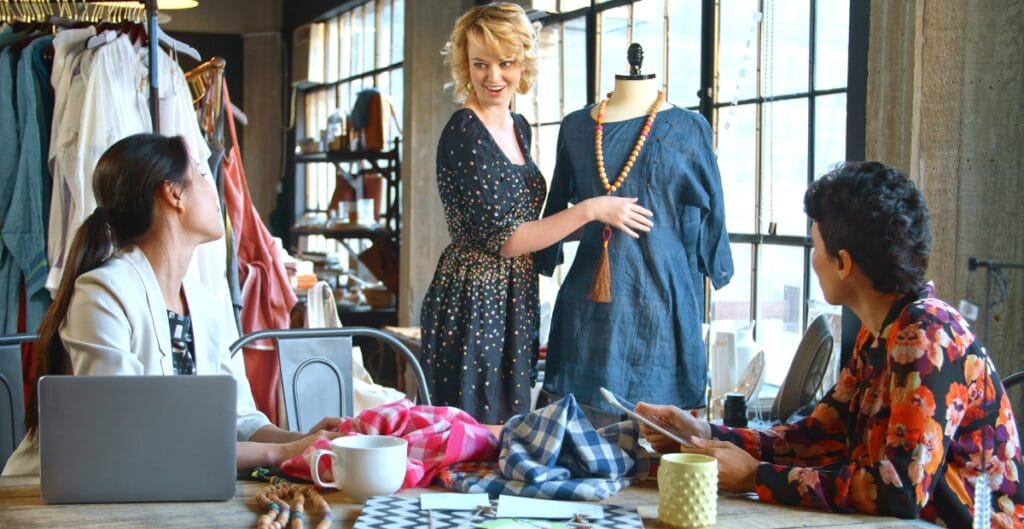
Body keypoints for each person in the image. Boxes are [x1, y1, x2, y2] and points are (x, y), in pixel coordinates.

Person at [636, 162, 1024, 527]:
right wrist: (703, 432)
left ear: (843, 262)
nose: (812, 260)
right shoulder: (880, 332)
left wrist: (756, 476)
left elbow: (899, 492)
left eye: (814, 246)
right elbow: (820, 437)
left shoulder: (926, 333)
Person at [2, 134, 338, 476]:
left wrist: (308, 440)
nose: (215, 190)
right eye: (203, 175)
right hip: (52, 500)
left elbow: (239, 419)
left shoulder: (205, 303)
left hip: (160, 490)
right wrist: (277, 453)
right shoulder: (102, 294)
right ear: (174, 193)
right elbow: (129, 438)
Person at [420, 2, 654, 424]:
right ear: (464, 65)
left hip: (514, 296)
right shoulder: (464, 131)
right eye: (480, 64)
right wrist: (589, 209)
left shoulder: (518, 126)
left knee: (507, 430)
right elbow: (509, 240)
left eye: (505, 62)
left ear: (523, 61)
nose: (493, 77)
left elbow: (532, 226)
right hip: (474, 300)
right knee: (476, 437)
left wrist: (603, 219)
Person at [535, 52, 732, 425]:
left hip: (660, 299)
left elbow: (713, 206)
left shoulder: (690, 127)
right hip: (589, 304)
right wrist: (546, 253)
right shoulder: (577, 127)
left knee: (657, 440)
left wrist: (716, 262)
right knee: (587, 437)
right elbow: (558, 199)